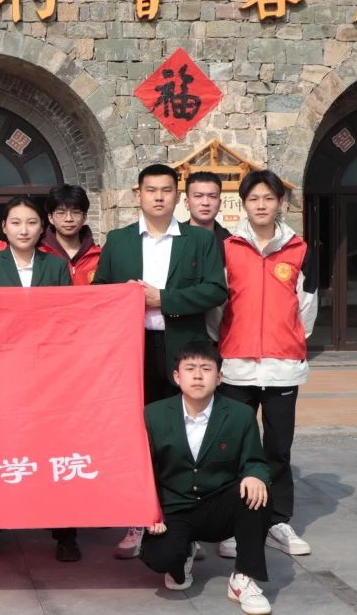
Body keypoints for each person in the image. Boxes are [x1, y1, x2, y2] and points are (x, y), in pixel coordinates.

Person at [92, 163, 227, 560]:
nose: (158, 197)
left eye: (166, 190)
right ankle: (139, 518)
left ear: (178, 197)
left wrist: (163, 299)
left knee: (184, 438)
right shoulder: (118, 241)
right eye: (151, 190)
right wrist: (122, 296)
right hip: (132, 350)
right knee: (139, 435)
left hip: (182, 349)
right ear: (138, 195)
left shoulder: (198, 240)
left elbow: (215, 291)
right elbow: (99, 290)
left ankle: (185, 522)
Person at [209, 169, 318, 561]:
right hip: (236, 366)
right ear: (244, 203)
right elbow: (216, 307)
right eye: (253, 198)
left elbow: (307, 307)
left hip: (282, 366)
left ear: (280, 203)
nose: (261, 205)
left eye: (268, 198)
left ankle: (276, 521)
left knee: (278, 449)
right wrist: (226, 344)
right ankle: (236, 523)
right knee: (235, 448)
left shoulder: (300, 249)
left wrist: (286, 339)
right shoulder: (228, 247)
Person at [0, 196, 76, 563]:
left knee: (53, 452)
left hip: (49, 374)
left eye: (31, 222)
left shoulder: (56, 266)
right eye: (15, 222)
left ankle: (65, 532)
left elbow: (66, 318)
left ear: (42, 227)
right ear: (4, 227)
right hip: (3, 373)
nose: (24, 229)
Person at [139, 340, 272, 615]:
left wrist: (255, 476)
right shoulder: (153, 415)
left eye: (206, 369)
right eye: (190, 369)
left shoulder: (240, 415)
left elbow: (255, 461)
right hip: (175, 507)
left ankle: (244, 577)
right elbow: (142, 469)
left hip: (219, 505)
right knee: (161, 558)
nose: (198, 376)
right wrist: (149, 512)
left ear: (219, 377)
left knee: (258, 493)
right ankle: (183, 553)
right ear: (177, 377)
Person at [39, 183, 102, 285]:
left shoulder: (100, 257)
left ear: (84, 217)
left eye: (76, 212)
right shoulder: (38, 257)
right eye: (61, 213)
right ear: (50, 218)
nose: (68, 219)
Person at [184, 170, 232, 241]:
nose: (205, 203)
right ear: (187, 203)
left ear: (219, 204)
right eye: (198, 196)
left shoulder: (230, 242)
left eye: (212, 196)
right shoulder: (172, 238)